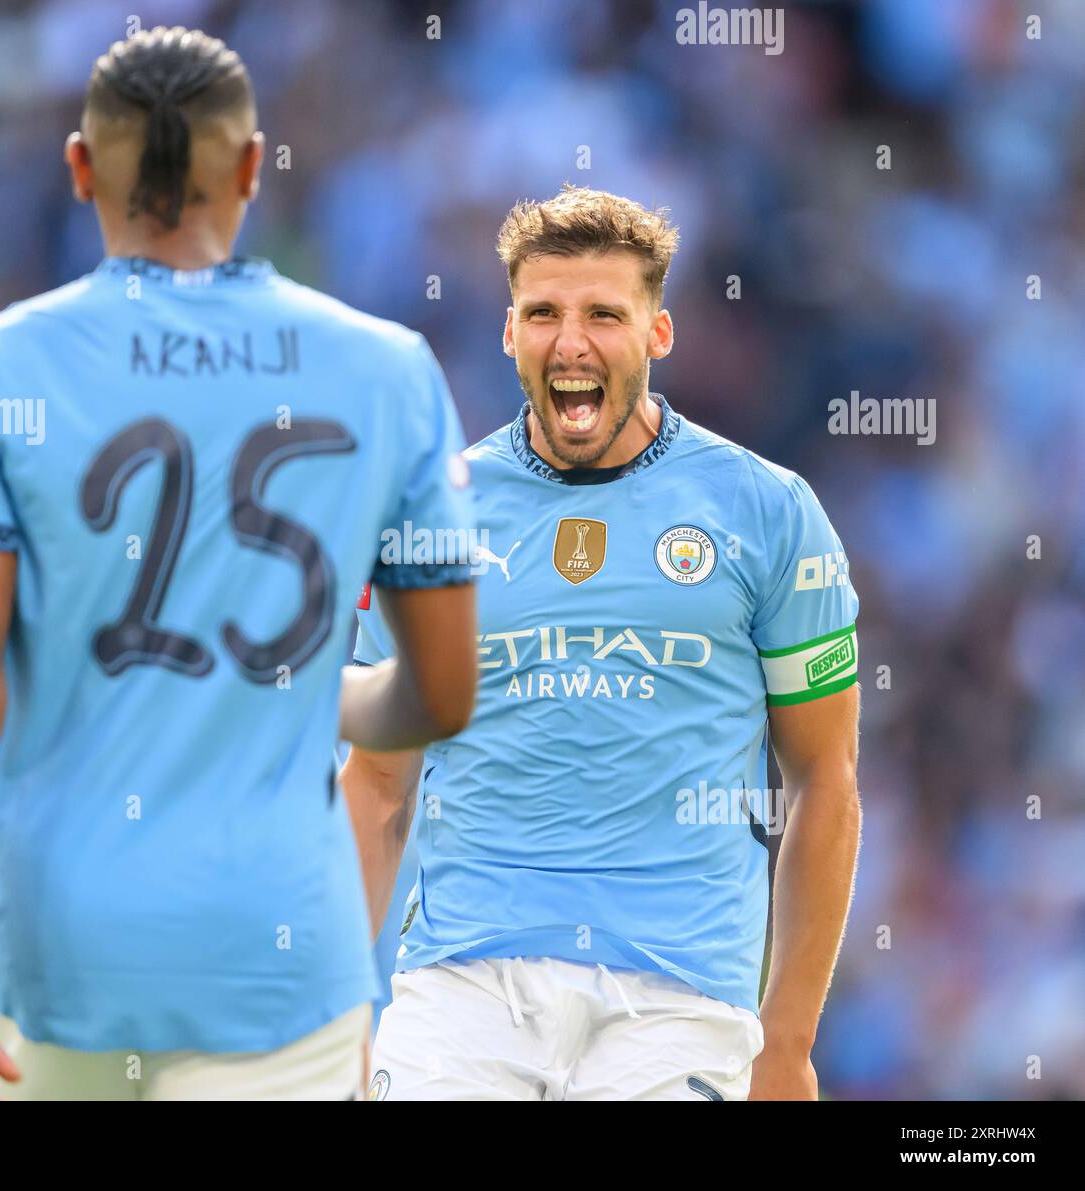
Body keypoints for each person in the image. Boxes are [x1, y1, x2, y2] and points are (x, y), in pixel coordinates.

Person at [0, 26, 476, 1101]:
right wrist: (308, 695)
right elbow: (442, 693)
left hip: (47, 948)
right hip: (278, 948)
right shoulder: (388, 369)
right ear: (252, 167)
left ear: (78, 169)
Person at [344, 185, 861, 1101]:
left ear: (657, 334)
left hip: (680, 994)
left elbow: (825, 781)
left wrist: (788, 1041)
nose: (570, 342)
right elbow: (380, 783)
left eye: (603, 315)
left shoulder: (767, 513)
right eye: (542, 312)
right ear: (509, 333)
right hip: (462, 985)